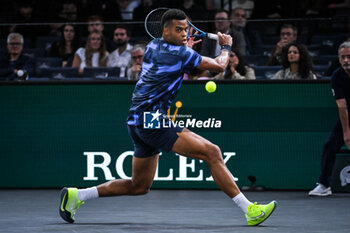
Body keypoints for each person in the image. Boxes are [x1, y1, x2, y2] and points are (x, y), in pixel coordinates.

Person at [59, 9, 276, 226]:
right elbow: (220, 65)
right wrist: (226, 45)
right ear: (165, 30)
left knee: (139, 186)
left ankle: (77, 196)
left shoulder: (153, 45)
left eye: (185, 29)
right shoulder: (181, 54)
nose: (184, 33)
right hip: (152, 120)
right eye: (178, 30)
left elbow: (182, 68)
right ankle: (250, 210)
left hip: (137, 120)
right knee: (213, 152)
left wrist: (188, 49)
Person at [309, 41, 350, 196]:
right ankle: (324, 185)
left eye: (349, 57)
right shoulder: (337, 76)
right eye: (343, 57)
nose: (346, 60)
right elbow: (342, 107)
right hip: (347, 115)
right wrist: (346, 133)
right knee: (330, 146)